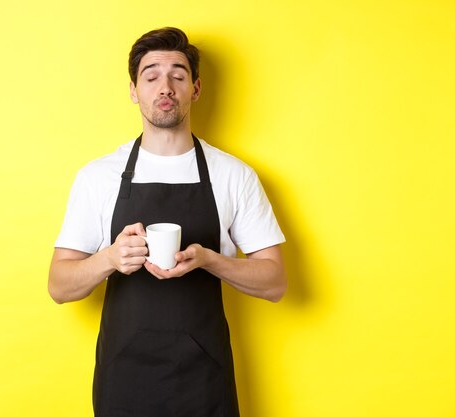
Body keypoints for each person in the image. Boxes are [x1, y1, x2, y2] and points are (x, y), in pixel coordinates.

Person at [48, 27, 287, 417]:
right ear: (133, 90)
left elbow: (275, 283)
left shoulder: (233, 175)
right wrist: (109, 258)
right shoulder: (98, 176)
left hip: (204, 380)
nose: (165, 86)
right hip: (123, 379)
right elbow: (59, 286)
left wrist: (210, 260)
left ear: (195, 88)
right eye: (151, 75)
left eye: (177, 75)